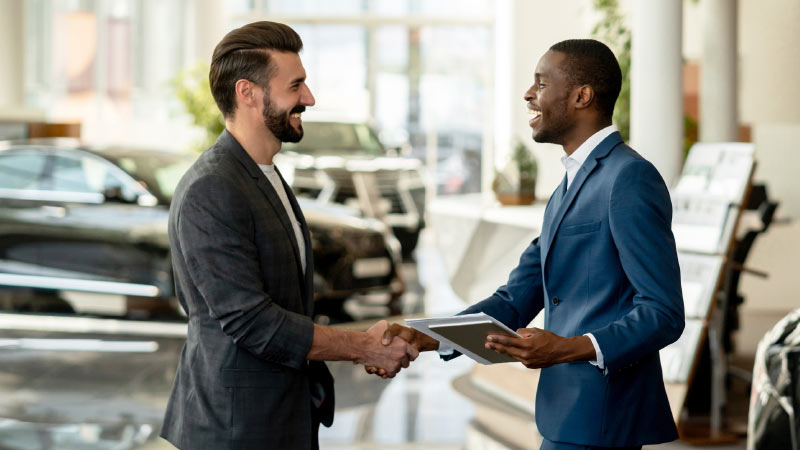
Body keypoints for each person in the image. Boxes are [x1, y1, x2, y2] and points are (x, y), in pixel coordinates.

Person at [373, 39, 685, 450]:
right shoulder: (569, 184)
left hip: (604, 418)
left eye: (540, 82)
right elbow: (515, 298)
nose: (528, 93)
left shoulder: (629, 178)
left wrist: (570, 348)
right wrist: (428, 336)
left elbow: (663, 312)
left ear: (581, 96)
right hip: (565, 415)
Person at [160, 21, 418, 450]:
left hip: (282, 418)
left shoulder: (265, 174)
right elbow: (252, 321)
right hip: (235, 429)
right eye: (295, 85)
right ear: (247, 93)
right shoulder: (213, 187)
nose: (309, 98)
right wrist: (363, 348)